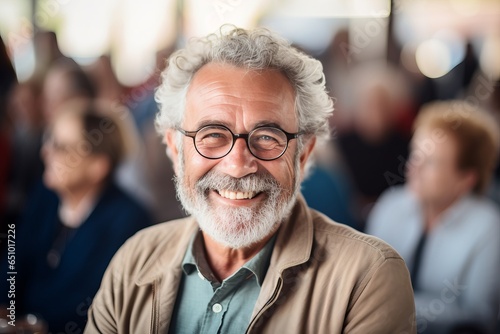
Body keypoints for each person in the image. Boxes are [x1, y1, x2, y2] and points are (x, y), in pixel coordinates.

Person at [85, 26, 415, 333]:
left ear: (303, 153)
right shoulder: (133, 261)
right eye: (212, 134)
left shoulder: (367, 278)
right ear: (175, 148)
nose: (238, 165)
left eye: (267, 136)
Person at [0, 101, 152, 332]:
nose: (45, 152)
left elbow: (95, 305)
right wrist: (6, 309)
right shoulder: (45, 198)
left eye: (60, 147)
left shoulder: (129, 221)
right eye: (49, 140)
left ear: (98, 166)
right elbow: (13, 263)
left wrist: (38, 326)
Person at [366, 100, 500, 334]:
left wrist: (388, 306)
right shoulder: (390, 206)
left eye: (431, 162)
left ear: (466, 179)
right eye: (415, 154)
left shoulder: (490, 228)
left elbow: (478, 319)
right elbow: (364, 282)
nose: (412, 167)